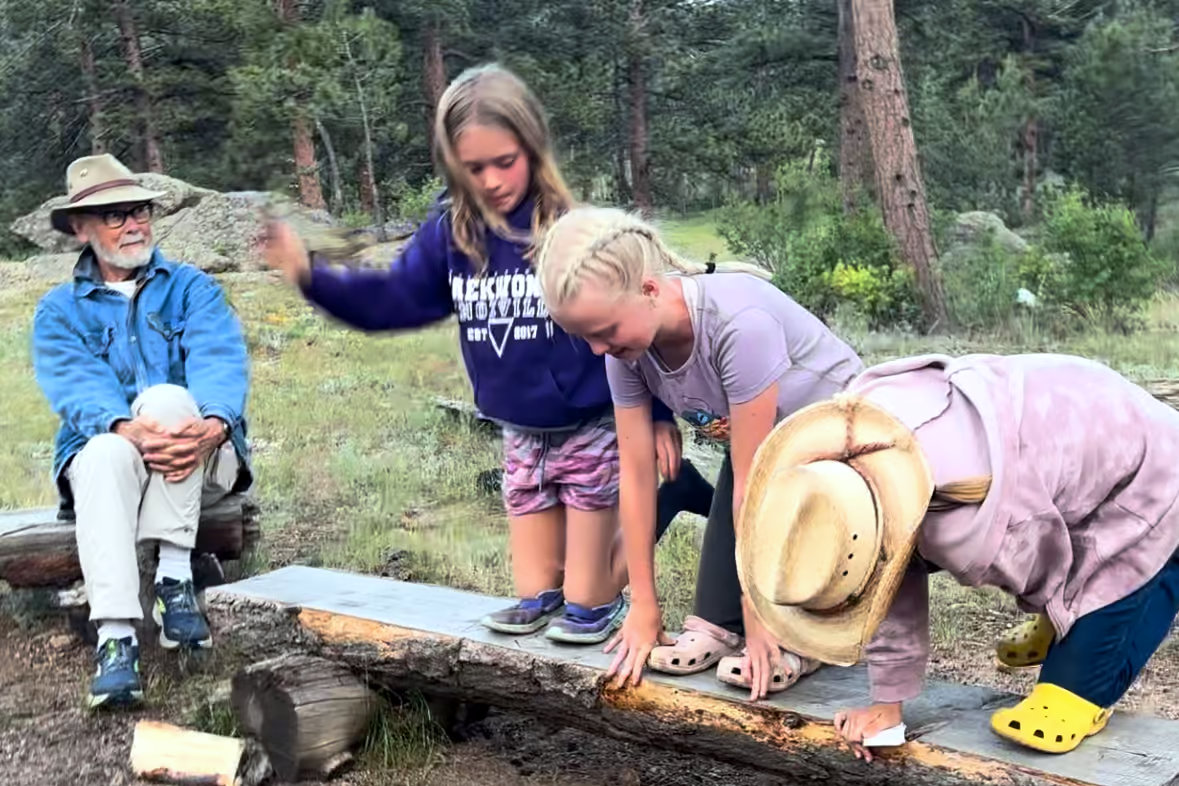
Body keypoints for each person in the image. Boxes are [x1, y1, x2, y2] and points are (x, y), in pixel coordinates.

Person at [261, 64, 682, 645]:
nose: (490, 180)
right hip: (518, 431)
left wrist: (658, 416)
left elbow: (634, 324)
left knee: (586, 605)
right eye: (473, 167)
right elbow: (392, 301)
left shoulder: (568, 229)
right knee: (536, 597)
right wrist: (311, 276)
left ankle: (652, 528)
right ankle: (559, 590)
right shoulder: (450, 234)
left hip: (590, 422)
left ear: (532, 148)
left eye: (504, 161)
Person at [736, 352, 1179, 758]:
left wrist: (1067, 613)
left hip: (1150, 469)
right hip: (1075, 409)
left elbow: (1051, 553)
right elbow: (890, 578)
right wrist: (886, 707)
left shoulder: (963, 530)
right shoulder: (852, 439)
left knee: (1069, 692)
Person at [534, 206, 864, 700]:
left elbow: (753, 486)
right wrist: (644, 606)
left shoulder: (738, 325)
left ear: (648, 290)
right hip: (765, 444)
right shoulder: (627, 352)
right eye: (586, 338)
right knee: (717, 595)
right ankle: (718, 625)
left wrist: (761, 626)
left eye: (604, 332)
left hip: (841, 447)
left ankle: (799, 631)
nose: (598, 350)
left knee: (766, 499)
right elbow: (638, 475)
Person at [32, 153, 252, 709]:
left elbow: (220, 359)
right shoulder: (58, 311)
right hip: (115, 464)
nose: (134, 225)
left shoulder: (192, 288)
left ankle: (174, 577)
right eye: (115, 216)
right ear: (81, 229)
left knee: (171, 399)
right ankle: (116, 639)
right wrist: (126, 429)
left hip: (200, 453)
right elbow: (77, 386)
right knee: (103, 450)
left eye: (141, 211)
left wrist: (213, 424)